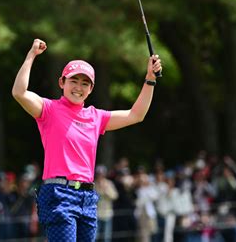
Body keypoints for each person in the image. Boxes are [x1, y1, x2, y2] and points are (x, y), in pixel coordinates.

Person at [12, 38, 162, 241]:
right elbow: (19, 93)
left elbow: (136, 115)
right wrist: (31, 55)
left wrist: (150, 79)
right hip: (59, 194)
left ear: (91, 89)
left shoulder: (96, 117)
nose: (78, 87)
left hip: (87, 197)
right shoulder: (49, 109)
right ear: (62, 82)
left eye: (85, 83)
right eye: (74, 81)